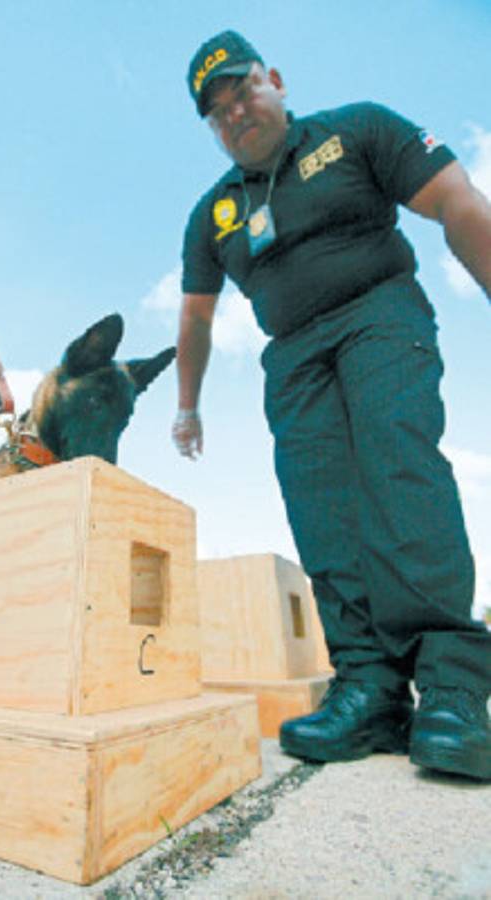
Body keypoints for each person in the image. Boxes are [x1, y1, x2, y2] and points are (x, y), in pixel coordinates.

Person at [173, 30, 491, 780]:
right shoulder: (213, 214)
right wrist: (187, 406)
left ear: (276, 81)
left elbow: (455, 199)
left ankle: (451, 688)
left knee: (397, 467)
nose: (235, 114)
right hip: (292, 356)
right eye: (217, 112)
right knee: (321, 508)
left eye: (243, 91)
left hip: (378, 314)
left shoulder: (356, 131)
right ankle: (369, 689)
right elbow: (194, 317)